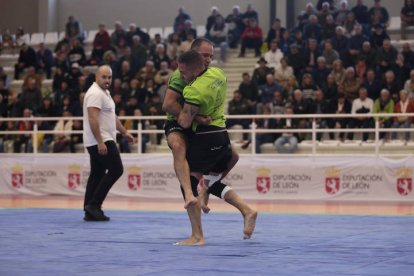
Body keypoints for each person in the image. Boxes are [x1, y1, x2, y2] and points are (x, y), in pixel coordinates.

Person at [176, 50, 257, 245]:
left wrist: (190, 115)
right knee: (209, 183)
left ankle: (197, 236)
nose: (181, 76)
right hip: (222, 137)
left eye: (184, 72)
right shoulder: (218, 74)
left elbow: (185, 122)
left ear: (194, 69)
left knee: (188, 182)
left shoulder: (192, 90)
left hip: (205, 139)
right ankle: (247, 210)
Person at [82, 65, 135, 221]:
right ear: (96, 77)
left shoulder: (104, 93)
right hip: (101, 139)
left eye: (109, 77)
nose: (107, 80)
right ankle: (94, 205)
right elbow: (92, 119)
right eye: (104, 77)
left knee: (97, 174)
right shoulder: (95, 94)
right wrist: (100, 142)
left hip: (101, 138)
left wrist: (124, 132)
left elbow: (112, 116)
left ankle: (89, 210)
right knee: (116, 169)